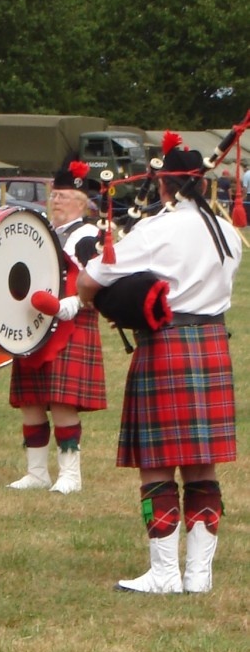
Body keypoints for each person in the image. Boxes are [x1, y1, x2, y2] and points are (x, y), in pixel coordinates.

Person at [77, 131, 241, 593]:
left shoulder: (155, 230)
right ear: (203, 186)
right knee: (201, 464)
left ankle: (166, 573)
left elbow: (92, 278)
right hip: (211, 343)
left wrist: (107, 303)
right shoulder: (227, 233)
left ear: (165, 185)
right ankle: (199, 576)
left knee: (158, 463)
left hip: (166, 346)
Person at [7, 160, 106, 493]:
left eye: (64, 195)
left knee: (63, 402)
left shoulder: (89, 234)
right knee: (31, 400)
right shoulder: (42, 230)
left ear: (81, 201)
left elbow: (97, 279)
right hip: (35, 324)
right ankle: (37, 473)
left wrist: (74, 303)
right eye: (55, 194)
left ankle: (70, 475)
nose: (57, 200)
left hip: (71, 323)